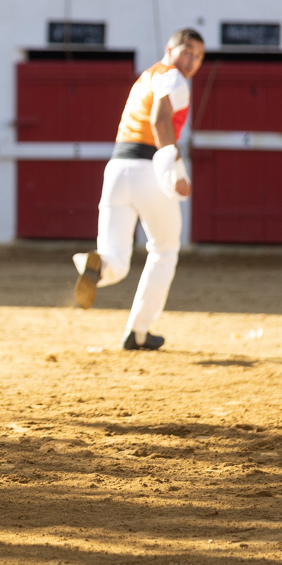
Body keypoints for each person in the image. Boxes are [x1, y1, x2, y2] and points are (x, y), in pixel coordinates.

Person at [73, 28, 205, 352]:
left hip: (116, 170)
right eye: (187, 51)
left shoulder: (146, 77)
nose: (192, 60)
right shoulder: (174, 79)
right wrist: (175, 170)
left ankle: (95, 267)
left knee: (115, 259)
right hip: (148, 170)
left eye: (199, 56)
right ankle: (139, 332)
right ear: (170, 50)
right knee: (164, 250)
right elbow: (160, 121)